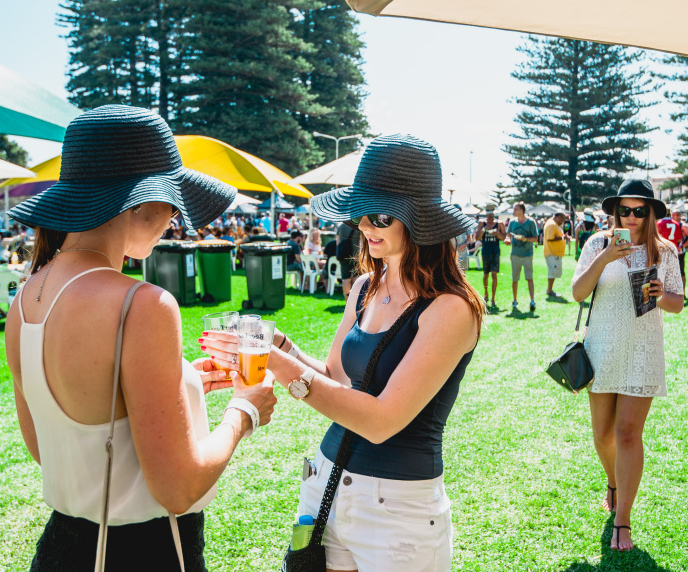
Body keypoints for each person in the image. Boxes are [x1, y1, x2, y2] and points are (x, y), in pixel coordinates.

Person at [3, 105, 276, 570]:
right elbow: (179, 488)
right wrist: (245, 409)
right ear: (137, 203)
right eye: (172, 201)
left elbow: (49, 446)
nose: (174, 217)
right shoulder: (143, 304)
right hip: (146, 553)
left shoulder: (25, 299)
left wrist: (175, 383)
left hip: (60, 551)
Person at [204, 134, 483, 572]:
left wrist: (278, 363)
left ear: (420, 222)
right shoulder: (364, 288)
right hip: (326, 483)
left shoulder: (451, 308)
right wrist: (280, 345)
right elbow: (335, 374)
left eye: (378, 216)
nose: (363, 227)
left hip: (399, 510)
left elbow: (381, 421)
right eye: (358, 215)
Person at [571, 179, 684, 552]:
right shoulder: (596, 244)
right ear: (614, 213)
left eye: (639, 210)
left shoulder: (664, 251)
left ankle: (623, 520)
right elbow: (577, 292)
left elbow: (677, 303)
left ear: (650, 213)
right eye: (625, 210)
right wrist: (605, 258)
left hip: (643, 349)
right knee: (602, 434)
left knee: (628, 433)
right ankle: (613, 481)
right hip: (602, 347)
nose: (631, 217)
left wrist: (660, 294)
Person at [507, 202, 539, 311]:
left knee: (529, 278)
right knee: (515, 279)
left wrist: (525, 239)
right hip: (515, 254)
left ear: (522, 210)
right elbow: (508, 236)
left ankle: (532, 301)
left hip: (527, 255)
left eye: (516, 209)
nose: (514, 211)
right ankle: (515, 301)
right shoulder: (512, 222)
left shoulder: (530, 222)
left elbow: (535, 238)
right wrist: (507, 240)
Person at [657, 209, 688, 297]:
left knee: (675, 272)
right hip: (674, 251)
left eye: (678, 214)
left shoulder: (660, 223)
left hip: (669, 251)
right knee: (674, 272)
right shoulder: (676, 224)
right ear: (671, 215)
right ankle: (673, 292)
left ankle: (678, 293)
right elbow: (679, 238)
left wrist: (682, 246)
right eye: (675, 215)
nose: (676, 216)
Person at [476, 205, 506, 308]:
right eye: (488, 213)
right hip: (486, 251)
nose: (490, 216)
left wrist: (497, 232)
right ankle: (486, 292)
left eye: (491, 213)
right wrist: (484, 229)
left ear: (494, 213)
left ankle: (493, 298)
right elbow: (477, 238)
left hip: (495, 251)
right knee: (486, 274)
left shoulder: (499, 223)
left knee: (494, 274)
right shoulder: (481, 223)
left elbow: (504, 238)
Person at [543, 211, 568, 297]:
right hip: (552, 252)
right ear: (558, 216)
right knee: (552, 272)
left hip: (555, 252)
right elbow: (550, 238)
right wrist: (562, 237)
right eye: (562, 219)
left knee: (553, 272)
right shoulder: (552, 224)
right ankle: (549, 291)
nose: (563, 221)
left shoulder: (554, 224)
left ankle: (550, 290)